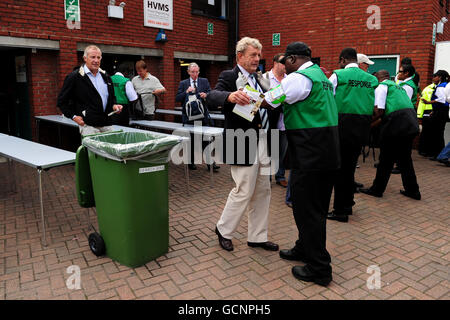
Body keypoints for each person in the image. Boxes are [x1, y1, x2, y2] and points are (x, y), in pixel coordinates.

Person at [265, 42, 340, 286]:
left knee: (308, 210)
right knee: (309, 206)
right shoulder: (322, 77)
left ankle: (319, 268)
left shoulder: (297, 78)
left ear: (294, 59)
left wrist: (247, 97)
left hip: (311, 154)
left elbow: (270, 101)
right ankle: (303, 247)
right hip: (325, 152)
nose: (283, 66)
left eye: (285, 61)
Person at [206, 37, 278, 253]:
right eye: (253, 55)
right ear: (240, 56)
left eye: (258, 55)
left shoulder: (260, 78)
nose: (257, 59)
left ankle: (257, 237)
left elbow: (268, 101)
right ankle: (223, 230)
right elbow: (211, 96)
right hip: (241, 140)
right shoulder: (229, 76)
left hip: (264, 138)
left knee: (263, 189)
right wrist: (230, 96)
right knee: (243, 189)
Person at [327, 48, 378, 222]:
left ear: (342, 60)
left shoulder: (337, 75)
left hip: (341, 126)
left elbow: (327, 100)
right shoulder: (372, 79)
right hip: (361, 127)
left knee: (339, 170)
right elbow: (376, 107)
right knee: (349, 168)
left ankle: (341, 210)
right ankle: (348, 202)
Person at [360, 70, 420, 200]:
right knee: (405, 160)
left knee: (386, 159)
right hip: (410, 123)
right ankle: (413, 191)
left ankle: (377, 189)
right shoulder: (399, 87)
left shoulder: (382, 86)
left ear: (378, 78)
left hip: (396, 125)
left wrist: (365, 124)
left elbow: (379, 111)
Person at [57, 45, 123, 136]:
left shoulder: (106, 76)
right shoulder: (74, 77)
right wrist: (74, 117)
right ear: (85, 58)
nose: (96, 60)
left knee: (110, 149)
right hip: (88, 125)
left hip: (107, 123)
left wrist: (114, 106)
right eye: (92, 57)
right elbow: (61, 102)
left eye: (98, 57)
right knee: (95, 150)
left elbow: (112, 98)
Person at [175, 62, 219, 171]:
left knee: (206, 139)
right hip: (189, 117)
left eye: (197, 72)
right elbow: (178, 98)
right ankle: (190, 162)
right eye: (193, 72)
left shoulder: (204, 81)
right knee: (191, 140)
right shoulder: (183, 83)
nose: (195, 74)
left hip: (202, 116)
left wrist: (206, 95)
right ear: (188, 72)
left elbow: (210, 94)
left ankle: (210, 164)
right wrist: (186, 92)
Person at [264, 53, 288, 188]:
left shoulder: (289, 79)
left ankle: (280, 176)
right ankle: (267, 178)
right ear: (275, 63)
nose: (285, 65)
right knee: (269, 151)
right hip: (270, 121)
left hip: (285, 122)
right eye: (282, 62)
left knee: (282, 152)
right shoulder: (265, 78)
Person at [420, 70, 449, 160]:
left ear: (440, 77)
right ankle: (438, 154)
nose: (434, 78)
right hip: (442, 111)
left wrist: (428, 102)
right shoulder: (446, 85)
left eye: (435, 76)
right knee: (438, 133)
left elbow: (441, 100)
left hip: (440, 112)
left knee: (437, 133)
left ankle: (437, 154)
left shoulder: (441, 86)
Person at [417, 76, 438, 156]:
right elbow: (422, 103)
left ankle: (430, 151)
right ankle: (422, 150)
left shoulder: (442, 88)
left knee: (433, 132)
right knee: (425, 132)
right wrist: (419, 115)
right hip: (427, 112)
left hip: (436, 112)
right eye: (434, 77)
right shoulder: (427, 89)